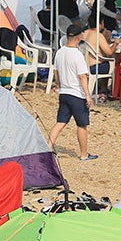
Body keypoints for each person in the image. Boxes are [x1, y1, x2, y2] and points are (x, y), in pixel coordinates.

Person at [49, 22, 97, 160]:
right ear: (78, 37)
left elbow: (56, 73)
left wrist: (60, 86)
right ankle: (83, 154)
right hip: (76, 94)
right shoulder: (77, 55)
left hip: (64, 92)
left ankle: (49, 147)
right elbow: (82, 76)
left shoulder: (59, 52)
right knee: (82, 125)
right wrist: (88, 95)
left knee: (61, 122)